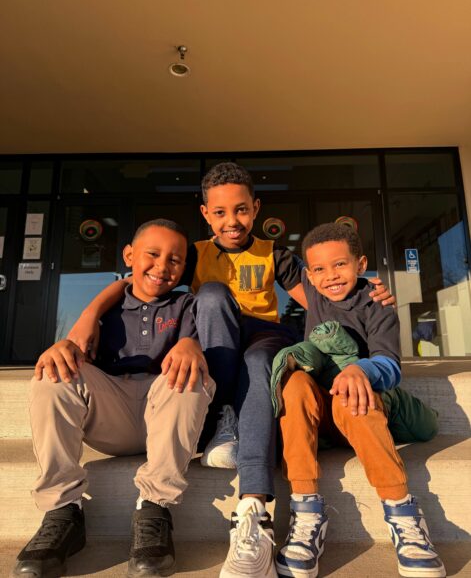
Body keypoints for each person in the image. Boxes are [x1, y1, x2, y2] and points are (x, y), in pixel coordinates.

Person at [64, 163, 393, 578]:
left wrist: (366, 293)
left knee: (258, 362)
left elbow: (323, 296)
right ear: (206, 214)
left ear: (255, 209)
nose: (231, 220)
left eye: (241, 210)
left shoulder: (274, 254)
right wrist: (89, 314)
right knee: (213, 295)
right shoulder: (194, 254)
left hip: (263, 336)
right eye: (220, 212)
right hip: (214, 339)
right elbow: (133, 282)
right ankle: (222, 417)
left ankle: (253, 497)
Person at [12, 219, 215, 578]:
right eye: (153, 254)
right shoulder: (104, 309)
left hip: (163, 416)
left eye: (175, 260)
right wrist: (63, 345)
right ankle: (62, 512)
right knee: (53, 372)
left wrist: (191, 343)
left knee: (188, 375)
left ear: (184, 268)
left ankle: (154, 509)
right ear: (129, 255)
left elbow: (200, 344)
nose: (162, 266)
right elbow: (76, 353)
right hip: (111, 413)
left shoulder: (188, 305)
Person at [273, 222, 445, 578]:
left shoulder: (376, 304)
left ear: (361, 264)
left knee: (349, 393)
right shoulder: (313, 291)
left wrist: (360, 370)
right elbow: (271, 255)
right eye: (320, 269)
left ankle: (402, 513)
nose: (331, 276)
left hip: (362, 406)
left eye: (340, 264)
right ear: (309, 275)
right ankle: (306, 511)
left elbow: (390, 366)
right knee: (294, 383)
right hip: (323, 412)